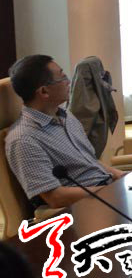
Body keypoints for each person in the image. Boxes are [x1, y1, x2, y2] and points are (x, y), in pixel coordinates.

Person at [6, 55, 125, 208]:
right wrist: (110, 192)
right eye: (62, 78)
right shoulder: (24, 139)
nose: (69, 81)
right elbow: (56, 198)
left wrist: (121, 177)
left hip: (105, 191)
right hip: (85, 207)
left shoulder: (66, 116)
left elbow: (90, 162)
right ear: (44, 91)